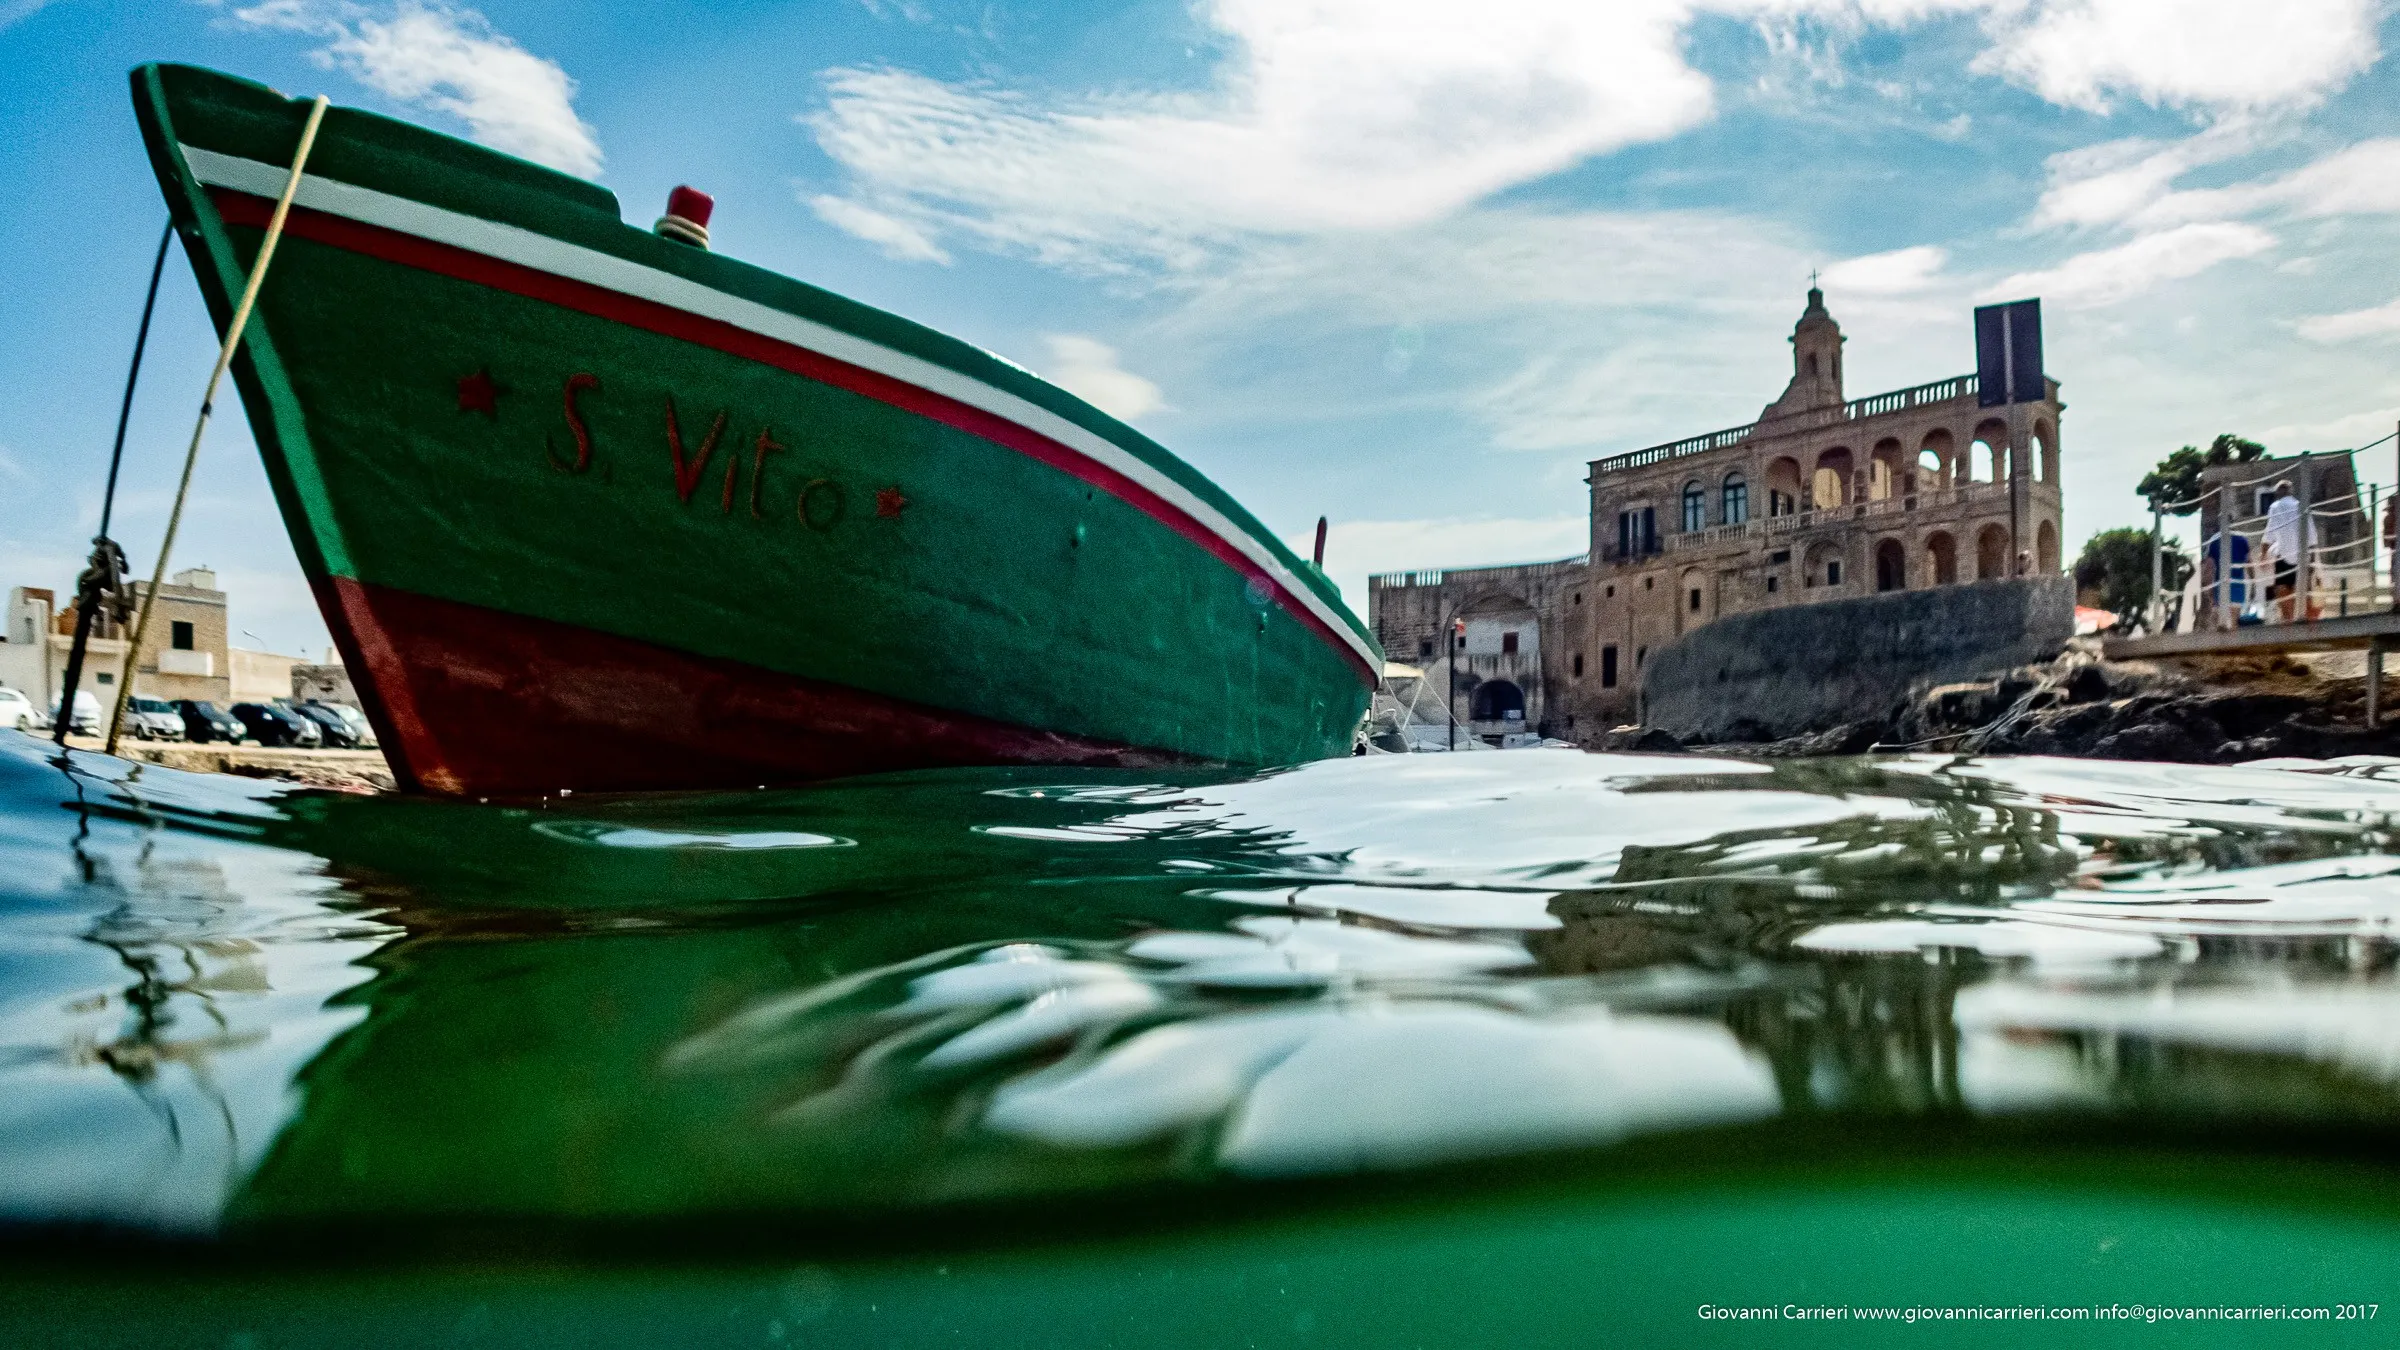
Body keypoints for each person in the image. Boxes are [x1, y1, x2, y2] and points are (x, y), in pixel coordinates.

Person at [2263, 479, 2304, 622]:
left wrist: (2263, 554)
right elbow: (2312, 535)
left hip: (2282, 555)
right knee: (2295, 589)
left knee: (2281, 589)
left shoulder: (2275, 507)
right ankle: (2293, 617)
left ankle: (2288, 619)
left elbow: (2269, 532)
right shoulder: (2301, 506)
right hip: (2301, 555)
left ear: (2279, 492)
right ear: (2290, 491)